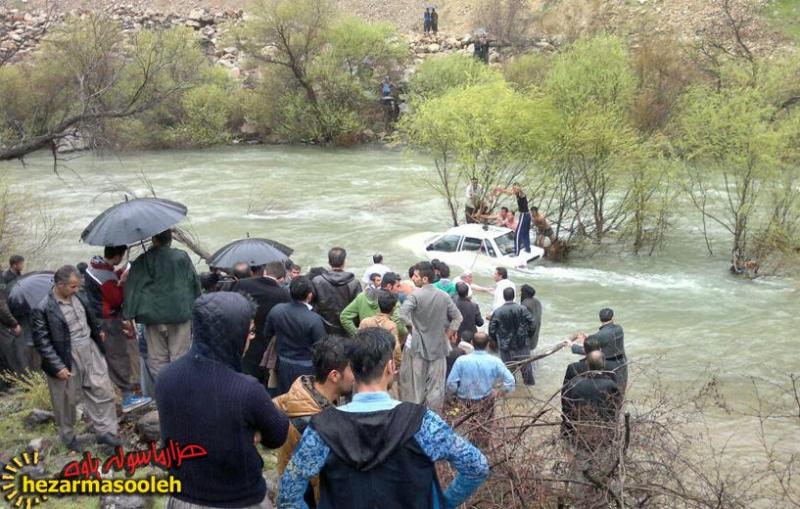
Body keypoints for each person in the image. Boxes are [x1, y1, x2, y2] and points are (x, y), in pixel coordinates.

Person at [277, 327, 489, 509]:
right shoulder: (423, 423)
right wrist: (443, 503)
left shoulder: (321, 429)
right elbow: (477, 466)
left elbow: (288, 495)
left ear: (352, 369)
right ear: (390, 367)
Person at [155, 292, 289, 509]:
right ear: (234, 333)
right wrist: (254, 430)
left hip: (183, 497)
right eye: (250, 331)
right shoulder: (246, 389)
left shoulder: (166, 377)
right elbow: (277, 434)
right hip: (239, 499)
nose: (251, 338)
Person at [32, 265, 121, 450]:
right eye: (72, 286)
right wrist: (57, 366)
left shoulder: (80, 296)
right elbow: (42, 341)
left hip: (90, 348)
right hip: (64, 356)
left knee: (102, 390)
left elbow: (91, 315)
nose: (77, 289)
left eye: (78, 286)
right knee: (66, 401)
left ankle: (106, 432)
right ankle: (69, 438)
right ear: (59, 285)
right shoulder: (42, 308)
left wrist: (98, 331)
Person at [274, 338, 354, 507]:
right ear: (334, 375)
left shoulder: (307, 391)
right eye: (352, 369)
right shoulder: (308, 422)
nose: (356, 375)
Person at [123, 229, 201, 379]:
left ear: (154, 240)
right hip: (180, 313)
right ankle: (180, 393)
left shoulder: (143, 260)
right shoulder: (182, 257)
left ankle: (162, 393)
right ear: (170, 240)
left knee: (158, 359)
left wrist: (128, 314)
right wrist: (198, 304)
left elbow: (133, 287)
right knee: (180, 357)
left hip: (153, 317)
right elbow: (194, 282)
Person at [84, 245, 150, 413]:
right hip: (109, 321)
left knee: (113, 357)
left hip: (99, 318)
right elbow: (116, 299)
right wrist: (123, 283)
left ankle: (125, 394)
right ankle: (128, 398)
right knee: (119, 357)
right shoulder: (106, 278)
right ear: (118, 255)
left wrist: (118, 275)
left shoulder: (94, 267)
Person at [399, 261, 462, 413]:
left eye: (415, 276)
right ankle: (432, 420)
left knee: (414, 387)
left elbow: (403, 314)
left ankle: (413, 419)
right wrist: (447, 335)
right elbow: (458, 318)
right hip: (439, 348)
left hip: (416, 349)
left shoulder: (414, 296)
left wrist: (412, 330)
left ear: (425, 279)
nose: (413, 278)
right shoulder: (444, 296)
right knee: (436, 388)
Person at [266, 276, 327, 395]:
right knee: (305, 399)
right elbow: (321, 348)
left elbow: (267, 333)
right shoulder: (314, 319)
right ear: (310, 295)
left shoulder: (276, 310)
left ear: (290, 291)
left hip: (282, 363)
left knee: (284, 397)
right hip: (307, 367)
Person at [232, 261, 291, 384]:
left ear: (265, 272)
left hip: (244, 339)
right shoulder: (283, 295)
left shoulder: (242, 284)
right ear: (282, 279)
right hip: (267, 346)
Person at [560, 350, 621, 444]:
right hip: (602, 433)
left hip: (575, 431)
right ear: (604, 364)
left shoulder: (572, 383)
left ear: (587, 364)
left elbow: (565, 406)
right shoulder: (610, 385)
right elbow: (615, 411)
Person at [571, 308, 627, 392]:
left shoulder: (599, 335)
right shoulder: (619, 329)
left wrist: (572, 345)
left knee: (608, 392)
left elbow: (588, 352)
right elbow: (607, 338)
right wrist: (589, 337)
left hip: (608, 366)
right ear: (613, 317)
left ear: (600, 319)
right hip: (621, 363)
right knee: (621, 390)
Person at [489, 287, 536, 386]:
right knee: (526, 368)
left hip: (506, 346)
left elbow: (491, 330)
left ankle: (512, 393)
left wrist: (498, 341)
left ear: (504, 297)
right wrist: (528, 336)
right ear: (514, 296)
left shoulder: (498, 311)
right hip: (522, 343)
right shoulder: (522, 309)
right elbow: (532, 324)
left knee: (509, 370)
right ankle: (529, 388)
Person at [340, 272, 407, 340]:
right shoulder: (393, 300)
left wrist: (358, 334)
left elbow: (344, 316)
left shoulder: (362, 296)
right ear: (389, 286)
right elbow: (398, 324)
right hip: (384, 343)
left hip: (366, 341)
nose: (399, 290)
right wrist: (405, 334)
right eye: (397, 286)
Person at [312, 247, 361, 336]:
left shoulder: (317, 281)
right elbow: (358, 310)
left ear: (329, 262)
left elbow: (311, 306)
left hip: (323, 329)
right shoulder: (354, 283)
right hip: (347, 330)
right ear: (344, 262)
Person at [359, 291, 403, 378]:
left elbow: (358, 342)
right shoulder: (391, 325)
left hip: (366, 363)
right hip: (384, 365)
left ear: (378, 305)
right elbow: (396, 348)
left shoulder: (365, 322)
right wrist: (397, 364)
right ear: (393, 308)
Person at [495, 183, 532, 256]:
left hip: (524, 215)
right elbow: (509, 192)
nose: (514, 190)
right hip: (527, 215)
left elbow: (521, 191)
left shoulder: (521, 194)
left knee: (517, 235)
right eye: (513, 188)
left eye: (515, 189)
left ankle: (516, 253)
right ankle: (528, 249)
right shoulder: (516, 194)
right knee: (525, 233)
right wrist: (500, 190)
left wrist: (518, 188)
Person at [520, 284, 542, 351]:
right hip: (535, 334)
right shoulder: (537, 301)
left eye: (521, 291)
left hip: (528, 336)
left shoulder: (525, 304)